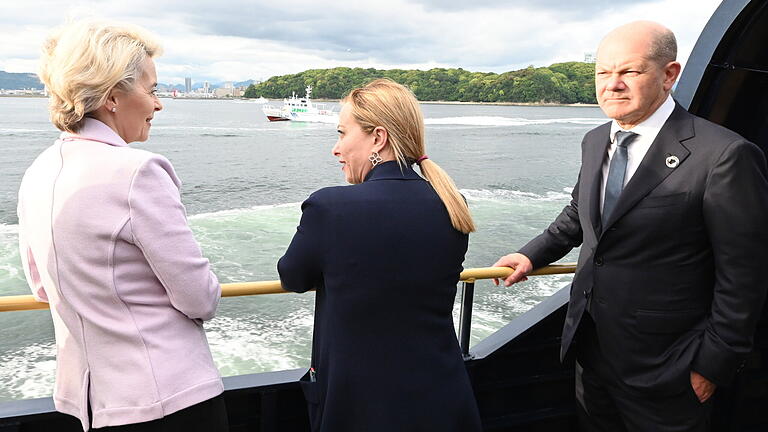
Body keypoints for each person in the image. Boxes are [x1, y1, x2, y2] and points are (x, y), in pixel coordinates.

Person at [492, 21, 768, 431]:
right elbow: (579, 214)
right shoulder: (595, 140)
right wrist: (531, 254)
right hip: (592, 353)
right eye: (603, 73)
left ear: (669, 75)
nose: (613, 85)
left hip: (670, 366)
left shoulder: (723, 155)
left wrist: (712, 365)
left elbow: (744, 275)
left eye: (630, 72)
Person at [17, 20, 227, 431]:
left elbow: (42, 287)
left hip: (88, 402)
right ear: (113, 97)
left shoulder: (37, 173)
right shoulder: (138, 172)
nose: (158, 104)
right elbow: (200, 298)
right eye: (151, 90)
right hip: (169, 398)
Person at [277, 79, 482, 431]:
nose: (336, 149)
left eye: (342, 133)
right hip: (443, 396)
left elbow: (292, 277)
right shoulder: (451, 204)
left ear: (378, 138)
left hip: (359, 406)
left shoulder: (330, 207)